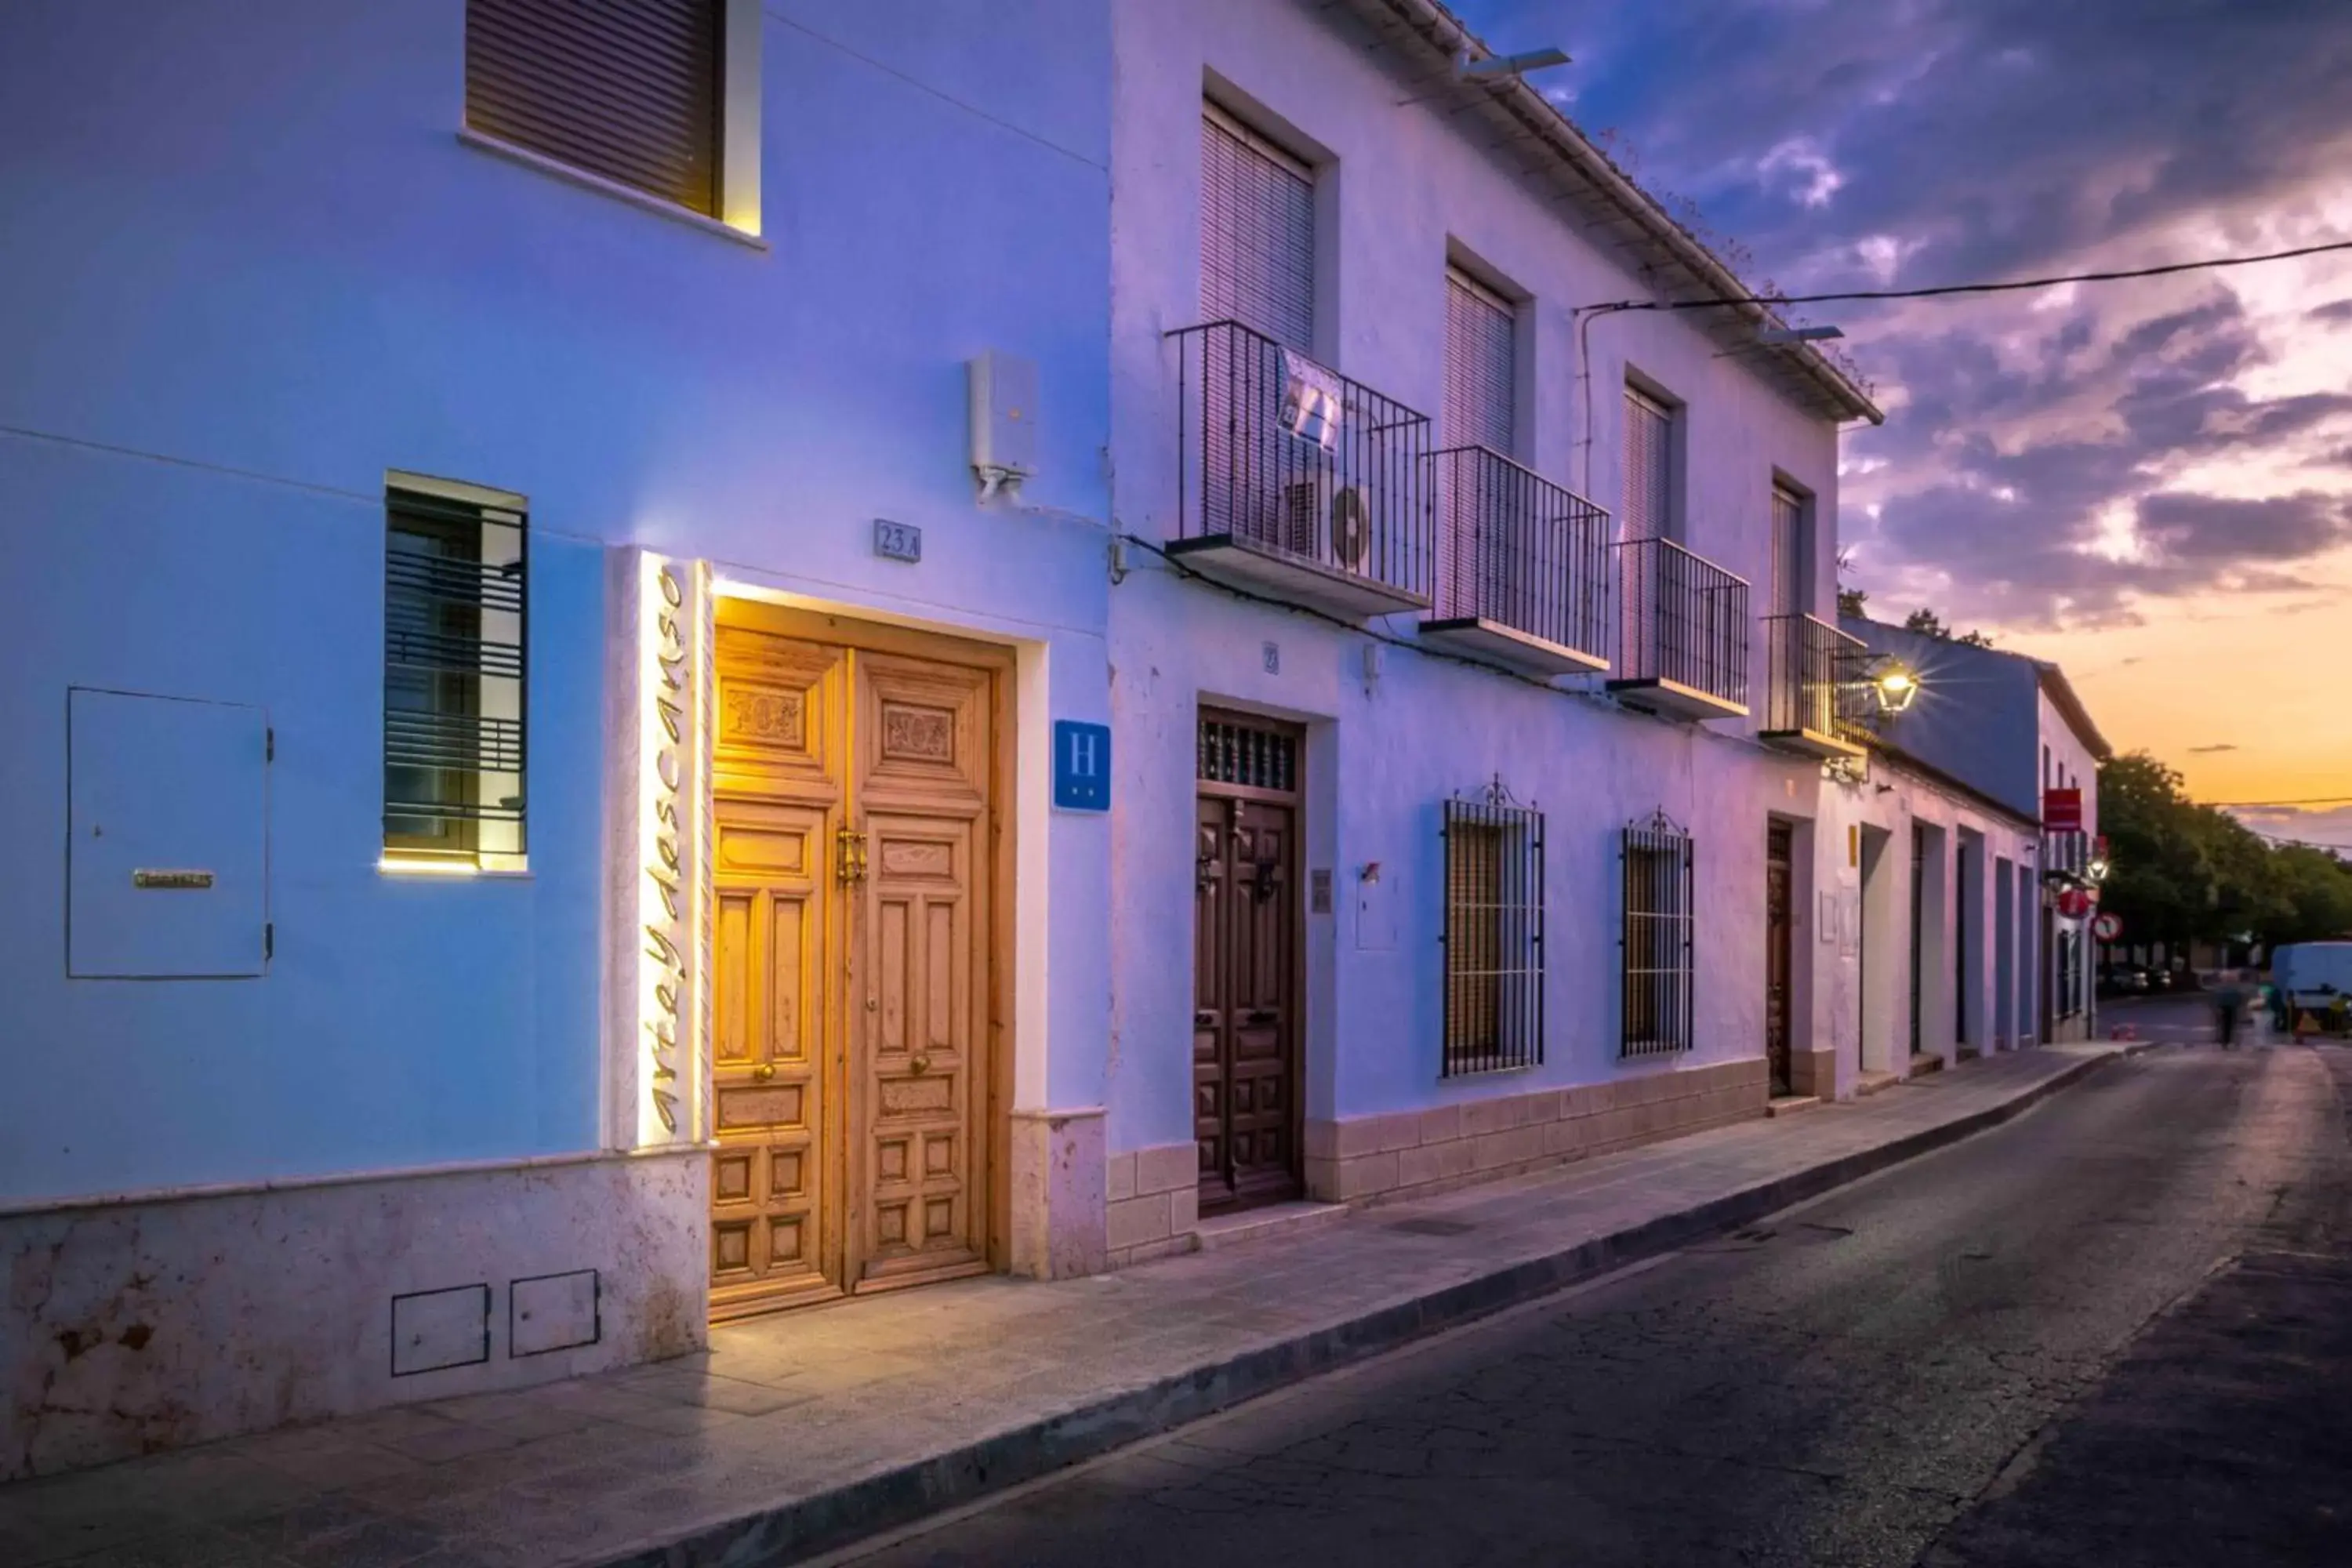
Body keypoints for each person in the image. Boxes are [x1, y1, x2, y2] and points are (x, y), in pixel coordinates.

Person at [2214, 974, 2245, 1048]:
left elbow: (2218, 999)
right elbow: (2239, 998)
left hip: (2225, 1008)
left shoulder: (2222, 988)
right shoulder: (2234, 988)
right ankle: (2230, 1041)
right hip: (2232, 1008)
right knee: (2231, 1025)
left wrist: (2218, 1007)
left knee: (2225, 1026)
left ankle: (2225, 1041)